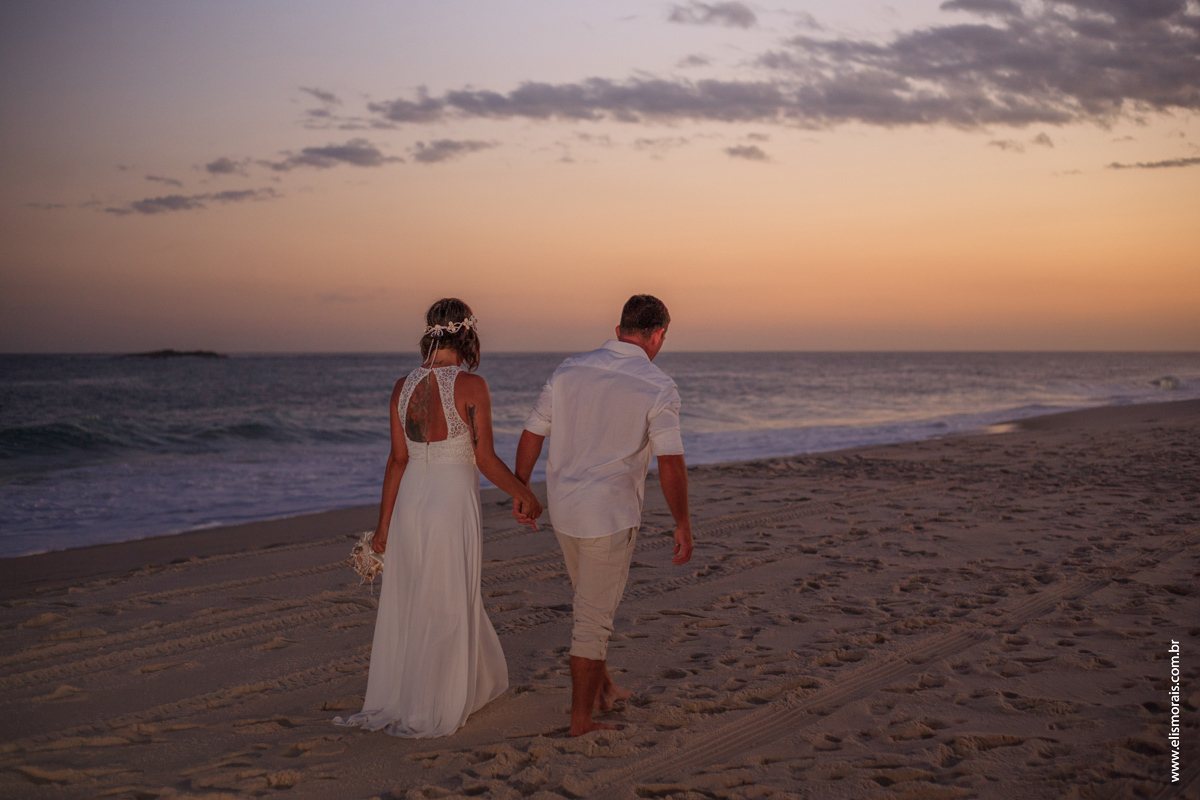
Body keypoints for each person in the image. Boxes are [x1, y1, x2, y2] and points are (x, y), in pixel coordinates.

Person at [334, 298, 543, 738]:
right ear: (467, 335)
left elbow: (396, 460)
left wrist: (384, 527)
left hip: (411, 500)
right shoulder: (472, 385)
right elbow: (484, 459)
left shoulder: (401, 387)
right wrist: (525, 493)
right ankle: (434, 706)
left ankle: (410, 694)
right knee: (447, 598)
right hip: (450, 501)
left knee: (413, 597)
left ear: (430, 333)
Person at [514, 294, 693, 736]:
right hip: (608, 516)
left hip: (565, 510)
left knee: (591, 599)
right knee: (593, 620)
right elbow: (669, 462)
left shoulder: (569, 369)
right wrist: (683, 523)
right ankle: (581, 722)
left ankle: (604, 689)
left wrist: (521, 489)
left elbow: (533, 432)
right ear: (658, 336)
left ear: (618, 331)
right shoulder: (658, 385)